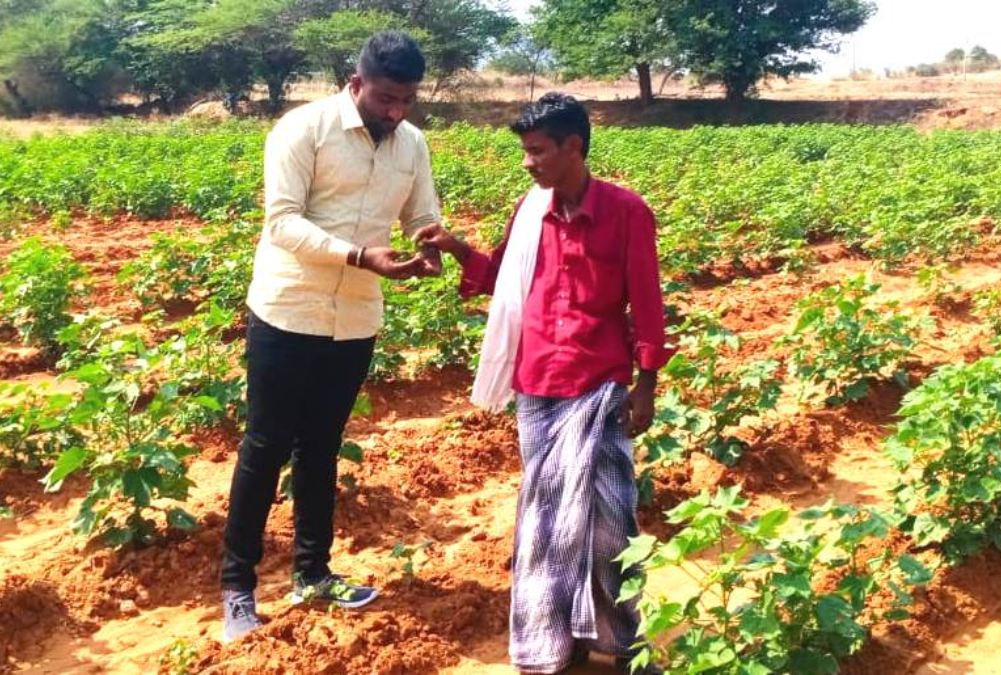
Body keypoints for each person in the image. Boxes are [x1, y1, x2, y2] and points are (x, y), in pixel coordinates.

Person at [416, 93, 669, 674]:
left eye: (537, 152)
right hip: (538, 387)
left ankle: (623, 644)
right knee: (547, 521)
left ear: (572, 147)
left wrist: (647, 383)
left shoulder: (627, 212)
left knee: (610, 523)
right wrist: (456, 248)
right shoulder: (530, 212)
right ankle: (554, 642)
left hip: (598, 384)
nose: (528, 163)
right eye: (525, 152)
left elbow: (647, 305)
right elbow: (499, 277)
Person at [219, 31, 443, 643]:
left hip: (355, 320)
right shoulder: (303, 129)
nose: (396, 111)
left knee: (321, 447)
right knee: (265, 446)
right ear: (356, 84)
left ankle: (312, 574)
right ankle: (238, 587)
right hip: (287, 311)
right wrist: (357, 256)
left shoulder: (413, 144)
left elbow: (422, 214)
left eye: (407, 100)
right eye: (386, 98)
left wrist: (433, 245)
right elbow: (282, 222)